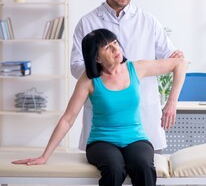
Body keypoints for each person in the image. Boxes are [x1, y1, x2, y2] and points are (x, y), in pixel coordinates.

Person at [12, 29, 187, 186]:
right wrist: (44, 156)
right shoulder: (88, 80)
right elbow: (68, 119)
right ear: (96, 57)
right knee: (115, 169)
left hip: (135, 138)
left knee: (143, 166)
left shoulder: (136, 68)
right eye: (107, 47)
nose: (115, 49)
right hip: (101, 142)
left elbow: (179, 63)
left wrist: (172, 102)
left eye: (115, 43)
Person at [70, 0, 184, 152]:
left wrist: (172, 101)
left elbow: (172, 59)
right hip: (104, 116)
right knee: (107, 170)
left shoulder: (148, 21)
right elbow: (76, 65)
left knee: (144, 168)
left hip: (142, 114)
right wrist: (107, 71)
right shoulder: (88, 22)